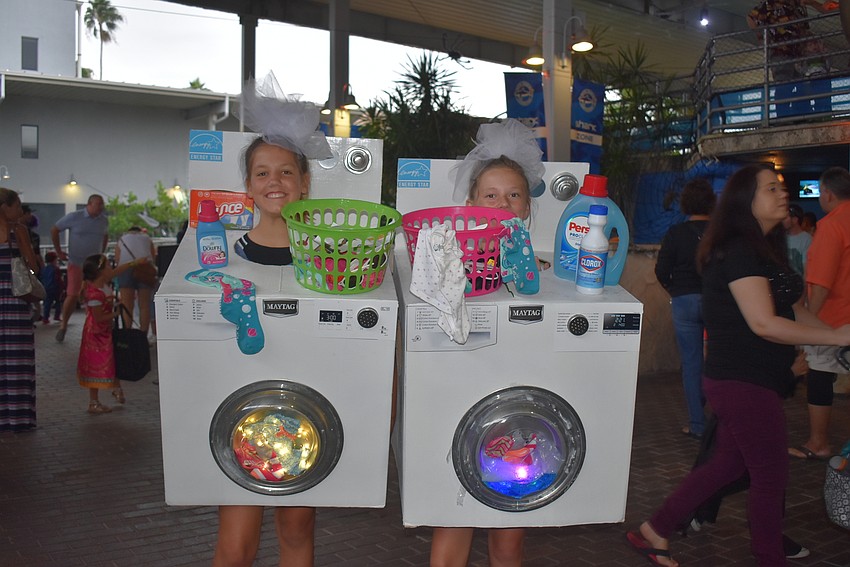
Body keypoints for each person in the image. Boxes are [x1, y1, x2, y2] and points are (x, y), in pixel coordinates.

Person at [627, 165, 850, 567]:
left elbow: (795, 311)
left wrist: (838, 333)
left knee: (727, 465)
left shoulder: (766, 247)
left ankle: (654, 530)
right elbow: (764, 323)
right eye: (770, 188)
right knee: (770, 477)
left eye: (781, 187)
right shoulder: (738, 250)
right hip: (741, 381)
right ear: (744, 202)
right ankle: (769, 557)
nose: (783, 194)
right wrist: (837, 338)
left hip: (753, 380)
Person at [212, 72, 331, 567]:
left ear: (305, 183)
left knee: (297, 532)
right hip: (239, 416)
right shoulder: (220, 258)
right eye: (262, 173)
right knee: (235, 545)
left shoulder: (332, 261)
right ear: (247, 186)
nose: (274, 182)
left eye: (286, 173)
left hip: (306, 418)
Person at [428, 120, 546, 567]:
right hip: (457, 414)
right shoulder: (444, 270)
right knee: (452, 525)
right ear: (471, 204)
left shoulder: (546, 275)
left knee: (509, 537)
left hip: (514, 422)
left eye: (513, 195)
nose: (502, 204)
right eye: (490, 195)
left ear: (527, 207)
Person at [789, 166, 850, 461]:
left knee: (820, 376)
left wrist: (806, 322)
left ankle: (818, 441)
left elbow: (822, 283)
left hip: (832, 318)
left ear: (826, 193)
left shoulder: (831, 225)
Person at [655, 178, 716, 440]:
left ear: (685, 204)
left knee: (691, 364)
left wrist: (675, 290)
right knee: (720, 361)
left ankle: (697, 424)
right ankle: (724, 421)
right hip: (718, 301)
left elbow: (661, 271)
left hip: (684, 300)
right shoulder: (720, 233)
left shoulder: (676, 233)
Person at [77, 253, 146, 413]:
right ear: (100, 271)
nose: (111, 268)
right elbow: (99, 317)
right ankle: (94, 401)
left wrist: (134, 263)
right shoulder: (95, 293)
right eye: (108, 265)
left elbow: (118, 271)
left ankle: (115, 388)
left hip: (105, 332)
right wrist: (116, 313)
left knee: (112, 360)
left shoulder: (102, 284)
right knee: (96, 365)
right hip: (96, 335)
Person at [0, 188, 40, 432]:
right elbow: (32, 266)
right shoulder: (19, 232)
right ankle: (18, 417)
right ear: (5, 207)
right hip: (15, 303)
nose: (20, 211)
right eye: (17, 206)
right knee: (18, 361)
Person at [51, 195, 109, 342]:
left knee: (96, 294)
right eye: (98, 204)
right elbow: (55, 229)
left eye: (102, 204)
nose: (101, 207)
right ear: (89, 204)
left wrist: (101, 252)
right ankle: (63, 325)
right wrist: (58, 251)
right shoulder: (74, 217)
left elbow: (105, 236)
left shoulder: (103, 220)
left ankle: (95, 326)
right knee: (73, 294)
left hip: (95, 265)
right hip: (76, 262)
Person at [114, 226, 156, 334]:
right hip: (144, 270)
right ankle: (143, 335)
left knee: (127, 304)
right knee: (144, 305)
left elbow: (117, 259)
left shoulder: (122, 239)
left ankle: (127, 334)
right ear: (140, 231)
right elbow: (153, 255)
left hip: (125, 269)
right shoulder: (147, 238)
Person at [783, 203, 811, 276]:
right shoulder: (780, 237)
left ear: (795, 220)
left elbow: (807, 270)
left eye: (786, 217)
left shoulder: (807, 239)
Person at [39, 251, 64, 324]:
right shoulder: (56, 269)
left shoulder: (43, 269)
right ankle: (57, 316)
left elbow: (42, 278)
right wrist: (62, 287)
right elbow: (58, 279)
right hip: (55, 288)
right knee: (58, 302)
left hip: (46, 288)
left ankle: (45, 318)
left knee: (47, 303)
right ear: (54, 260)